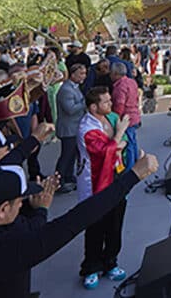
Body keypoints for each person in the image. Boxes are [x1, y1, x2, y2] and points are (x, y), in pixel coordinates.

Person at [0, 154, 159, 298]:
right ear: (3, 210)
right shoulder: (5, 251)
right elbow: (76, 220)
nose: (22, 205)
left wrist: (40, 210)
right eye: (19, 202)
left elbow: (30, 232)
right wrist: (133, 176)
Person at [76, 87, 132, 289]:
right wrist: (119, 135)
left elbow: (121, 143)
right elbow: (104, 151)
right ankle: (91, 267)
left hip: (115, 175)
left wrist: (120, 140)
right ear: (93, 107)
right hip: (96, 182)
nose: (111, 104)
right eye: (106, 102)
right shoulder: (86, 128)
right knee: (95, 227)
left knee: (115, 223)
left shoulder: (111, 118)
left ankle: (111, 261)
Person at [55, 63, 87, 194]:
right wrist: (84, 102)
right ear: (72, 74)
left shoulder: (74, 87)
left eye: (84, 73)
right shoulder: (66, 89)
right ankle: (58, 181)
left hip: (74, 127)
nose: (83, 76)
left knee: (72, 155)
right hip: (68, 128)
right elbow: (70, 109)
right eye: (81, 73)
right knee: (66, 156)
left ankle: (68, 176)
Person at [109, 61, 141, 168]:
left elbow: (119, 105)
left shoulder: (120, 86)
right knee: (133, 142)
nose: (110, 75)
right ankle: (136, 162)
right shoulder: (132, 82)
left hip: (126, 119)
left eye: (111, 73)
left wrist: (115, 119)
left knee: (128, 145)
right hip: (134, 116)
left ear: (116, 74)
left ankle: (130, 167)